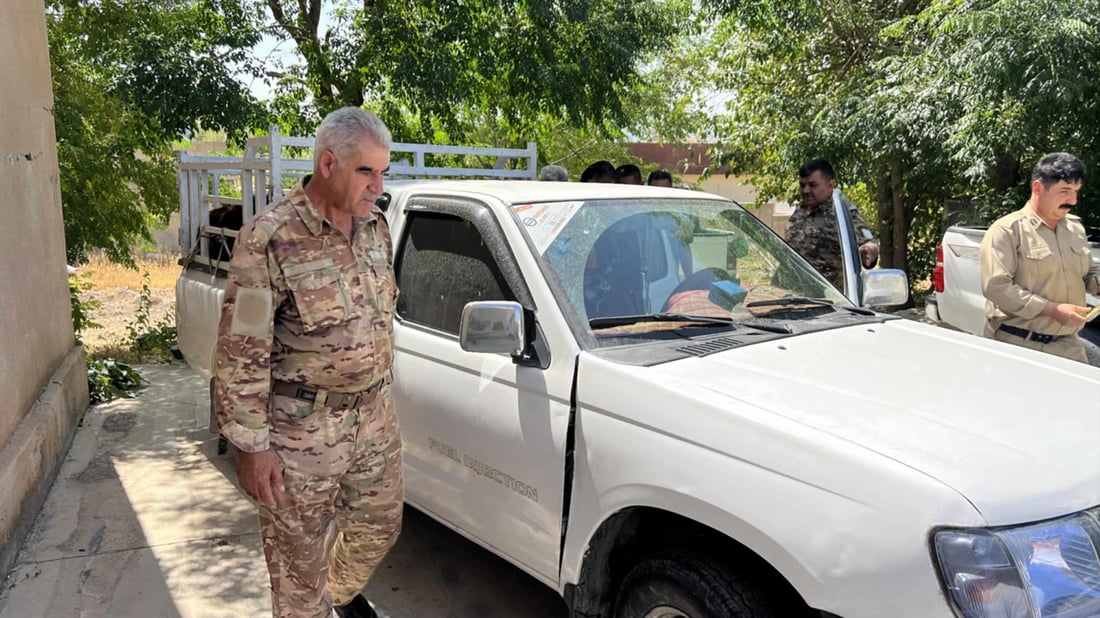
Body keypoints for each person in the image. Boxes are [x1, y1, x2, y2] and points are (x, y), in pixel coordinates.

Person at [214, 107, 401, 618]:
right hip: (300, 435)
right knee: (298, 575)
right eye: (366, 171)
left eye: (383, 172)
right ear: (327, 164)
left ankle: (333, 597)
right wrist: (251, 449)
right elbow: (241, 352)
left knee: (379, 526)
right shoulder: (271, 238)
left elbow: (379, 322)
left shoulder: (376, 229)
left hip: (373, 421)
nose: (378, 186)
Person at [980, 152, 1100, 363]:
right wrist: (1052, 310)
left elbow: (1088, 272)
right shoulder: (1007, 230)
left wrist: (1097, 283)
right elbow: (996, 287)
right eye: (1064, 191)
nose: (1072, 200)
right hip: (1018, 344)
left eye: (1075, 192)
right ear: (1038, 187)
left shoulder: (1075, 228)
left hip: (1069, 347)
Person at [784, 159, 879, 287]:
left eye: (813, 185)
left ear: (831, 184)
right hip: (787, 293)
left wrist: (868, 251)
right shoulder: (801, 210)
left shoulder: (841, 212)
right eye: (802, 185)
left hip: (825, 298)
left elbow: (870, 243)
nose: (806, 191)